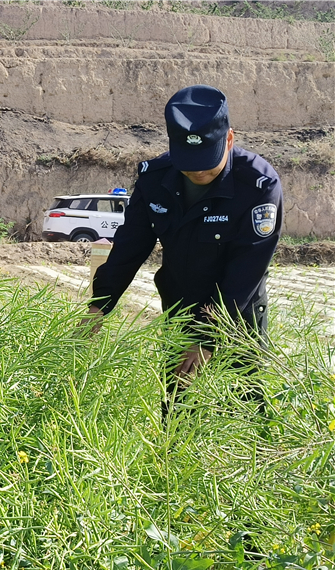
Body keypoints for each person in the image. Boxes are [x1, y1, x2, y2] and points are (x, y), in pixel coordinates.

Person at [85, 85, 283, 406]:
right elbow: (130, 245)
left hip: (236, 319)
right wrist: (100, 304)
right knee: (178, 410)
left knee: (240, 410)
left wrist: (208, 337)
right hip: (180, 312)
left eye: (207, 160)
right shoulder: (155, 179)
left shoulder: (258, 186)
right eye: (189, 161)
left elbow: (246, 270)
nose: (198, 170)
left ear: (229, 140)